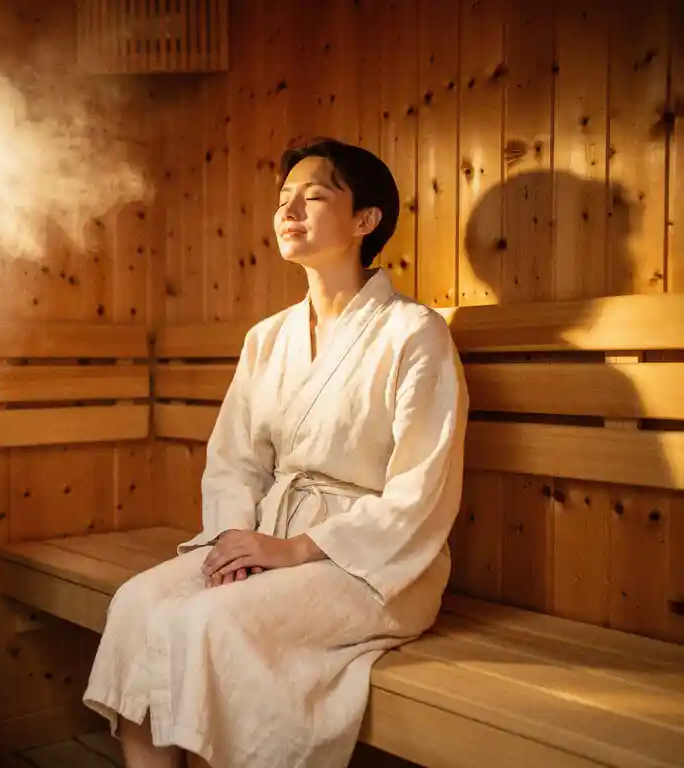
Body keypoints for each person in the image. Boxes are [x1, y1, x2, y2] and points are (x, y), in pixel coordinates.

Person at [83, 137, 469, 768]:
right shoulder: (268, 338)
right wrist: (235, 544)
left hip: (375, 565)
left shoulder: (413, 332)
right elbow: (233, 462)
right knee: (137, 606)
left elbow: (420, 491)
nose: (289, 211)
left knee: (206, 623)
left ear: (365, 220)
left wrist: (294, 550)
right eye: (284, 198)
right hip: (267, 538)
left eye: (312, 197)